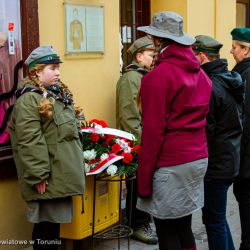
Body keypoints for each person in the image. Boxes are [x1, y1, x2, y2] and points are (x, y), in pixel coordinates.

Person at [136, 12, 212, 250]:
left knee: (167, 229)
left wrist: (144, 179)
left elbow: (152, 133)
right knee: (183, 226)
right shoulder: (200, 73)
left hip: (171, 162)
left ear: (158, 41)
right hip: (197, 157)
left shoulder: (158, 77)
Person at [9, 45, 85, 250]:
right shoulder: (29, 99)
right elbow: (29, 140)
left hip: (60, 172)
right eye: (52, 68)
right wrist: (39, 174)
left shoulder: (55, 94)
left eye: (58, 67)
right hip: (48, 175)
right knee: (45, 228)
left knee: (53, 226)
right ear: (36, 71)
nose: (58, 72)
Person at [193, 35, 244, 250]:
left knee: (213, 221)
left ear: (202, 56)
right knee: (218, 219)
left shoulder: (210, 84)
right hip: (229, 158)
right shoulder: (228, 78)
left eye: (193, 55)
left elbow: (207, 130)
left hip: (216, 164)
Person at [116, 36, 158, 244]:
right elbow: (129, 117)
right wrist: (142, 145)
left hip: (146, 142)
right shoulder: (131, 78)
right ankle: (137, 225)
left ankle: (142, 221)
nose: (154, 59)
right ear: (139, 56)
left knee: (144, 184)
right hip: (137, 144)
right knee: (137, 186)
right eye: (151, 55)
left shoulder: (145, 75)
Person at [230, 27, 250, 250]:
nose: (232, 50)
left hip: (246, 153)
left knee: (245, 197)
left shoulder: (244, 74)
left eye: (235, 47)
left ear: (245, 50)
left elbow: (245, 119)